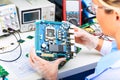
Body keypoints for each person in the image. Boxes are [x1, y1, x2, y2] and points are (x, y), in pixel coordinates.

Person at [29, 0, 120, 80]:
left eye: (95, 8)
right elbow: (116, 52)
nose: (95, 15)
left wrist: (51, 77)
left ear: (116, 16)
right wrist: (93, 42)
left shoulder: (111, 74)